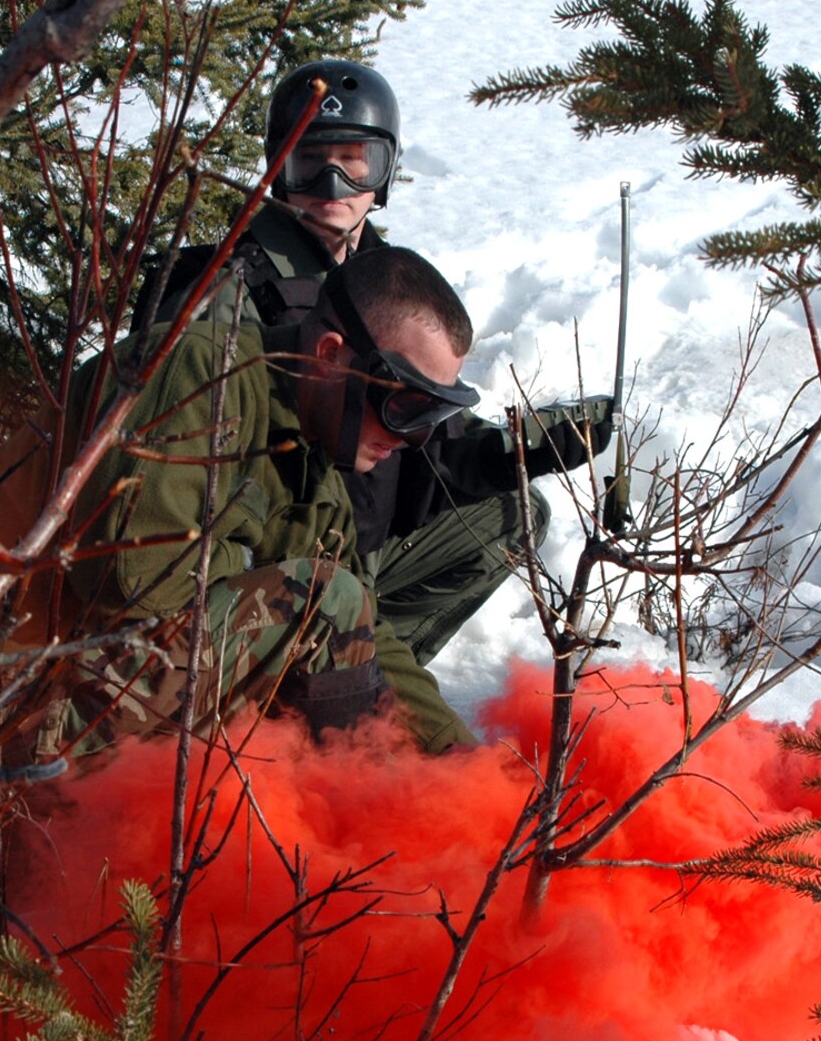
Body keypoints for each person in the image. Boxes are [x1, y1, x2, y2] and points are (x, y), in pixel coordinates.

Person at [144, 58, 615, 670]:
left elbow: (429, 433)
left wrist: (534, 445)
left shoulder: (388, 283)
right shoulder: (223, 290)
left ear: (385, 172)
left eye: (354, 160)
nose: (331, 183)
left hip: (357, 549)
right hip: (271, 562)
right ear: (278, 170)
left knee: (515, 514)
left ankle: (370, 665)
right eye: (309, 161)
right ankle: (307, 671)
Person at [60, 245, 482, 753]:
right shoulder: (201, 373)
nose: (410, 439)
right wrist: (265, 575)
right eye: (404, 406)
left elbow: (369, 637)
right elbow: (128, 585)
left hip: (128, 704)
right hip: (24, 708)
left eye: (431, 416)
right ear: (330, 354)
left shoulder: (317, 478)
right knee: (324, 601)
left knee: (334, 614)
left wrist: (461, 757)